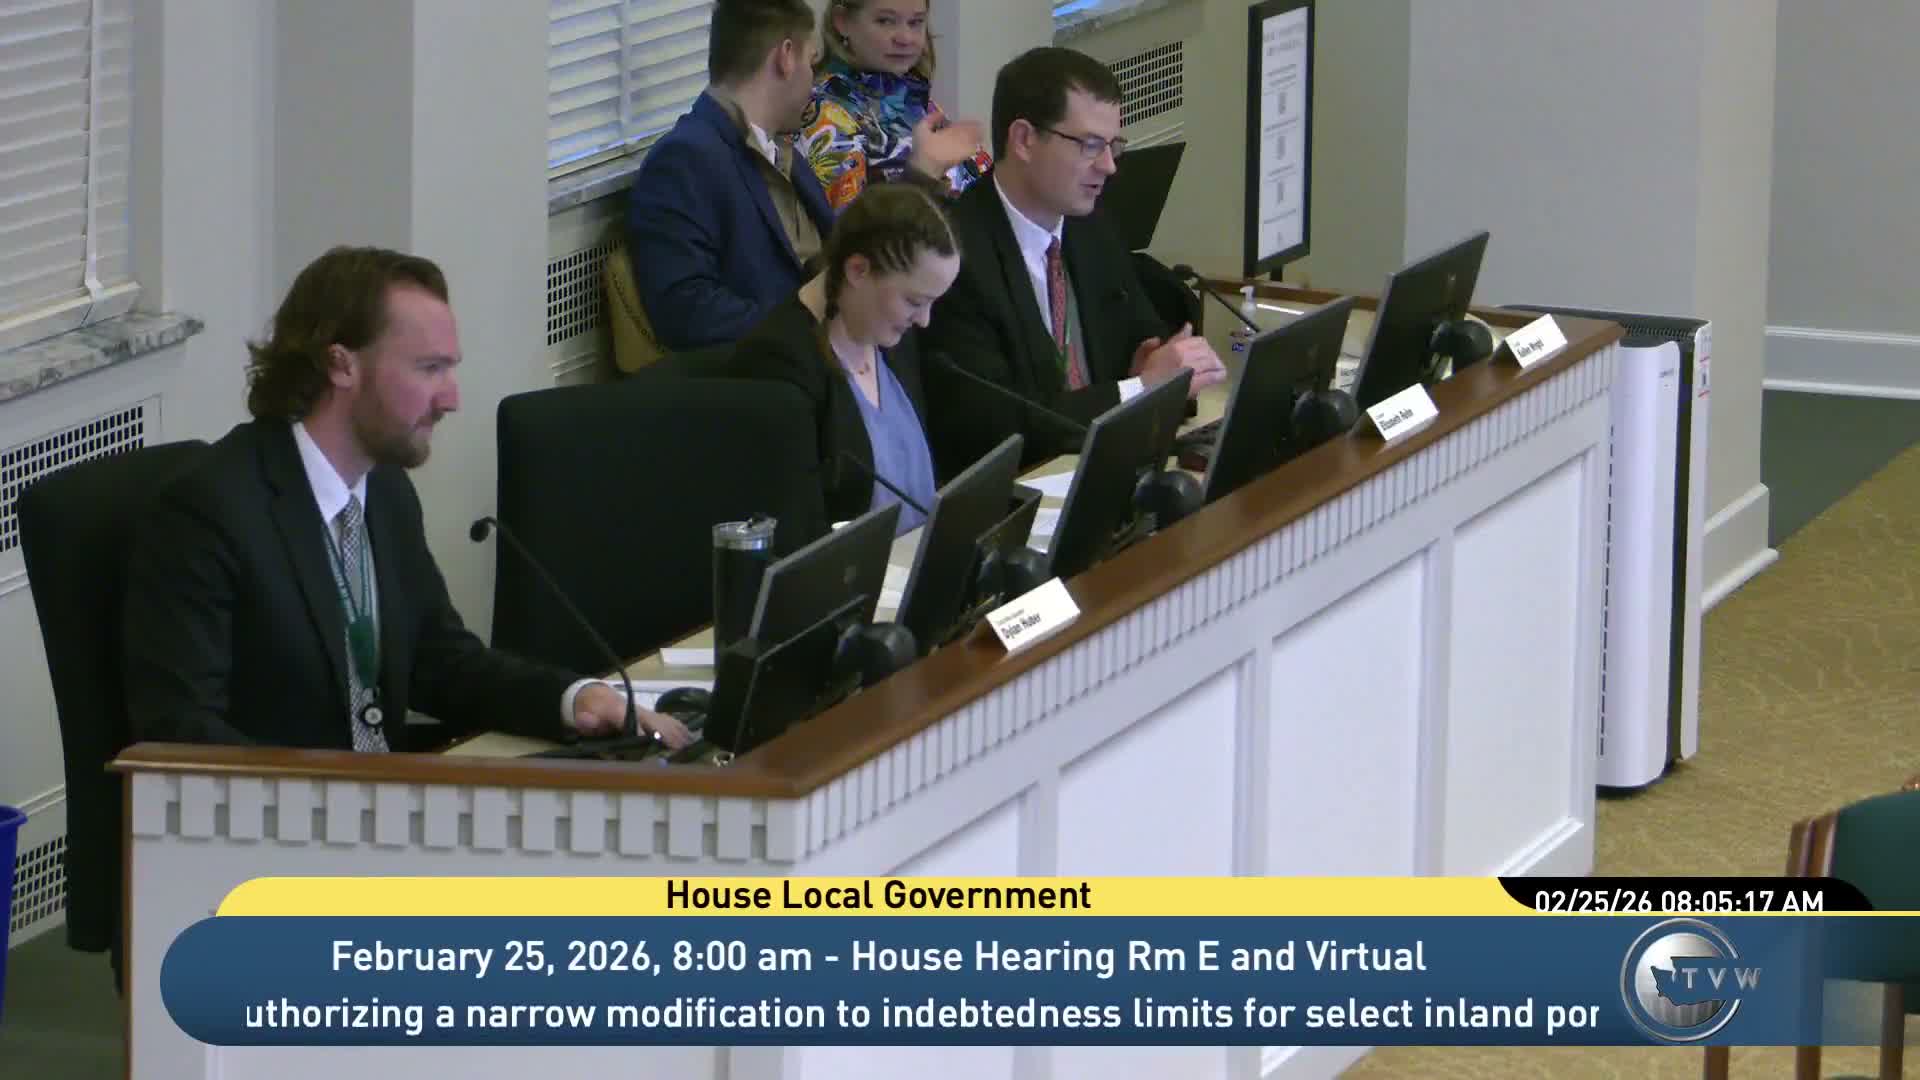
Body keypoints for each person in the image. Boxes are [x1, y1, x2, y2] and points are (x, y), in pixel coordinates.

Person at [122, 247, 692, 752]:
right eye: (429, 369)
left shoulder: (385, 489)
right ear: (341, 364)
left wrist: (574, 699)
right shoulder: (210, 512)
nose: (451, 399)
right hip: (284, 826)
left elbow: (439, 662)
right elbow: (182, 736)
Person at [919, 46, 1226, 478]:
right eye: (1090, 145)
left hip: (1101, 469)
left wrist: (1160, 366)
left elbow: (1145, 342)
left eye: (1113, 145)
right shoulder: (955, 256)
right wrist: (1140, 388)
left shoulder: (1089, 226)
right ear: (1024, 140)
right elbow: (998, 429)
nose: (1109, 166)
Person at [727, 182, 957, 536]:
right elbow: (797, 529)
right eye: (914, 302)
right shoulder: (777, 364)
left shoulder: (888, 336)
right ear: (858, 270)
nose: (924, 320)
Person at [624, 0, 832, 356]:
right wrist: (807, 326)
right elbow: (686, 310)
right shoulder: (684, 159)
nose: (813, 83)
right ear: (785, 57)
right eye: (811, 63)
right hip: (771, 366)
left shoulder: (781, 149)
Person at [803, 0, 992, 211]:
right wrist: (921, 174)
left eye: (915, 22)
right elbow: (852, 228)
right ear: (843, 21)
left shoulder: (916, 102)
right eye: (885, 21)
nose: (905, 38)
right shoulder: (825, 112)